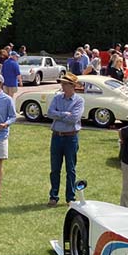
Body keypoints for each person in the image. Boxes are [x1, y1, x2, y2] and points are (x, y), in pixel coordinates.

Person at [47, 74, 84, 206]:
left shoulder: (79, 101)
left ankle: (70, 198)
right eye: (62, 83)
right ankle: (53, 196)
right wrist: (64, 114)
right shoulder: (57, 98)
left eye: (65, 84)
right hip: (56, 136)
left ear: (72, 86)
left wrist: (58, 115)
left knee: (71, 168)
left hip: (71, 137)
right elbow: (49, 112)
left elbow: (74, 118)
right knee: (55, 168)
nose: (62, 86)